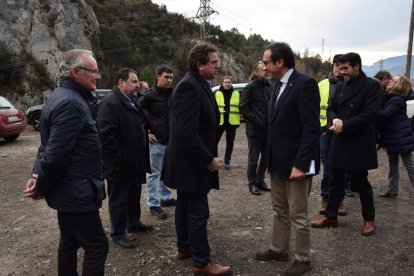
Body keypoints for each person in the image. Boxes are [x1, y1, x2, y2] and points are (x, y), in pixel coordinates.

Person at [23, 49, 109, 275]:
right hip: (76, 191)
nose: (98, 76)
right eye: (94, 72)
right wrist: (40, 185)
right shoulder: (71, 103)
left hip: (71, 190)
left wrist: (35, 176)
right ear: (75, 72)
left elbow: (47, 146)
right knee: (97, 245)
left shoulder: (63, 96)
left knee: (70, 241)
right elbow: (55, 154)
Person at [163, 43, 232, 276]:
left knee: (184, 206)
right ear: (200, 64)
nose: (217, 66)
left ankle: (184, 248)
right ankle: (202, 263)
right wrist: (208, 159)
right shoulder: (188, 87)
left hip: (188, 163)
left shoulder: (198, 84)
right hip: (191, 164)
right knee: (197, 211)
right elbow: (186, 132)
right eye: (213, 62)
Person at [255, 42, 320, 276]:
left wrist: (301, 164)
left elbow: (312, 129)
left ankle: (303, 259)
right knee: (279, 209)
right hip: (277, 162)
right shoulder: (274, 86)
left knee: (298, 215)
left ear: (280, 62)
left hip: (296, 166)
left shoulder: (305, 84)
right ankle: (278, 249)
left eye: (266, 62)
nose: (264, 67)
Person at [311, 52, 381, 236]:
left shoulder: (371, 86)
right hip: (340, 138)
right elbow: (332, 108)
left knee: (360, 182)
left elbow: (370, 114)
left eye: (345, 68)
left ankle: (369, 219)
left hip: (359, 140)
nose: (341, 72)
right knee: (335, 179)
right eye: (339, 68)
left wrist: (345, 124)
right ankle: (331, 216)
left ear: (357, 66)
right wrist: (334, 121)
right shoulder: (341, 85)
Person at [97, 68, 153, 249]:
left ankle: (133, 222)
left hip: (134, 162)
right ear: (121, 82)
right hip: (120, 165)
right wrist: (119, 160)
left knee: (133, 195)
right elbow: (107, 136)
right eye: (134, 81)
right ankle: (118, 232)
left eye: (137, 82)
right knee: (118, 199)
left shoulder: (132, 101)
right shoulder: (111, 103)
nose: (138, 85)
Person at [138, 65, 176, 220]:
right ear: (157, 76)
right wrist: (145, 132)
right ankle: (153, 204)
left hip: (170, 140)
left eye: (171, 78)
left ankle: (166, 198)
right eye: (166, 77)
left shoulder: (173, 94)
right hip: (156, 141)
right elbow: (135, 112)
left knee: (166, 171)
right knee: (153, 174)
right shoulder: (149, 96)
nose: (169, 80)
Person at [318, 54, 348, 215]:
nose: (338, 69)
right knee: (328, 167)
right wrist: (320, 130)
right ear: (332, 67)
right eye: (336, 66)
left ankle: (340, 200)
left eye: (341, 66)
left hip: (343, 133)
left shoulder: (349, 85)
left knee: (342, 167)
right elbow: (314, 108)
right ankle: (325, 198)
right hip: (325, 133)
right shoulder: (322, 84)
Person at [378, 75, 414, 197]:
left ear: (399, 85)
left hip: (399, 135)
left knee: (408, 164)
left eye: (393, 81)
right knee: (393, 163)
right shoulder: (391, 97)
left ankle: (393, 189)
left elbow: (385, 114)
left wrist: (371, 111)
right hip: (394, 135)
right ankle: (392, 190)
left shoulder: (397, 99)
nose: (390, 81)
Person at [239, 61, 271, 195]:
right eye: (264, 70)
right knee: (253, 159)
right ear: (257, 71)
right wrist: (257, 121)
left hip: (268, 130)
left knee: (266, 158)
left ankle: (260, 181)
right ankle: (252, 184)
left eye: (267, 70)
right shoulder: (251, 86)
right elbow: (243, 107)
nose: (267, 72)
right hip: (254, 130)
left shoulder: (269, 86)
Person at [215, 75, 240, 170]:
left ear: (231, 83)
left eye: (229, 82)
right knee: (214, 142)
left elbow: (240, 106)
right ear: (222, 83)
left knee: (230, 143)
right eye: (225, 82)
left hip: (232, 122)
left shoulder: (236, 93)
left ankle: (227, 161)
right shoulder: (217, 93)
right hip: (219, 122)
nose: (227, 84)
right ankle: (214, 160)